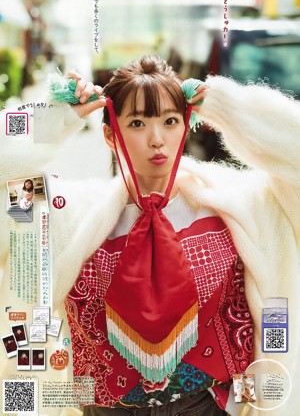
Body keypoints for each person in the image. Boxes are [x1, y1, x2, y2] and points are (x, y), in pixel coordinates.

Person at [51, 55, 299, 416]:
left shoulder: (239, 204)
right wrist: (52, 120)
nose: (157, 140)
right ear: (109, 133)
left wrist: (227, 107)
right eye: (137, 123)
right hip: (107, 408)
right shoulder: (72, 213)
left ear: (187, 125)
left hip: (210, 405)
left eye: (170, 121)